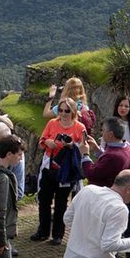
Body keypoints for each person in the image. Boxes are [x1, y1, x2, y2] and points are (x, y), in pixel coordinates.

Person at [32, 97, 87, 244]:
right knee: (44, 200)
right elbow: (42, 140)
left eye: (67, 110)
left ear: (73, 111)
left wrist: (70, 146)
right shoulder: (52, 123)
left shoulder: (80, 127)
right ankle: (42, 231)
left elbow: (83, 148)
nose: (63, 113)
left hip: (66, 170)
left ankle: (58, 234)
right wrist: (47, 142)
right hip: (49, 166)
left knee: (61, 203)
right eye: (61, 110)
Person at [80, 119, 130, 188]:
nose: (102, 133)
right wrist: (96, 149)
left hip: (103, 194)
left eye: (103, 130)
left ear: (110, 134)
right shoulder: (127, 146)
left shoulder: (112, 156)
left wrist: (85, 154)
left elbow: (91, 175)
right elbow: (108, 163)